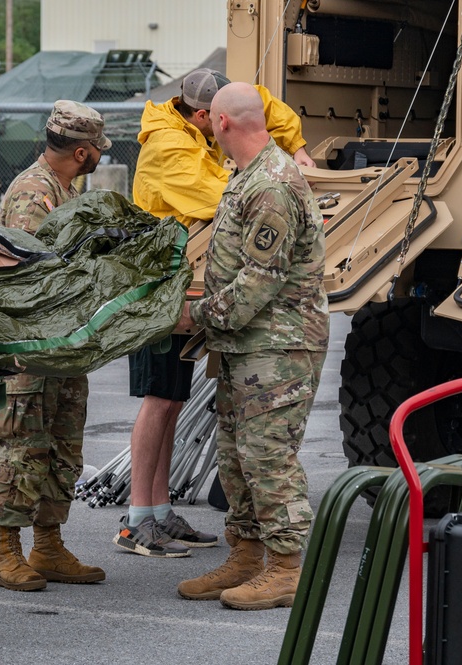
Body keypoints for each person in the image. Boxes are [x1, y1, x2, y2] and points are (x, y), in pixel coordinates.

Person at [113, 68, 316, 558]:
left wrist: (299, 144)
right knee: (158, 399)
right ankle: (138, 518)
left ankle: (160, 512)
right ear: (205, 115)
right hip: (159, 288)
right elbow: (218, 197)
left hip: (188, 289)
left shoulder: (197, 127)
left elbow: (262, 104)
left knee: (173, 399)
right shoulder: (168, 148)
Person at [173, 82, 329, 610]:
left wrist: (196, 316)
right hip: (247, 345)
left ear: (220, 123)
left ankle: (285, 570)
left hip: (279, 346)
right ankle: (244, 558)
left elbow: (260, 279)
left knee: (268, 459)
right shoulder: (248, 178)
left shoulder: (272, 184)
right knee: (235, 458)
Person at [0, 100, 109, 590]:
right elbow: (24, 279)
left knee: (60, 449)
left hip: (60, 347)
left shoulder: (63, 190)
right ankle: (5, 553)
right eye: (98, 148)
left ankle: (48, 545)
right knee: (22, 451)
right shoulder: (34, 196)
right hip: (27, 351)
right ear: (82, 151)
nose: (100, 154)